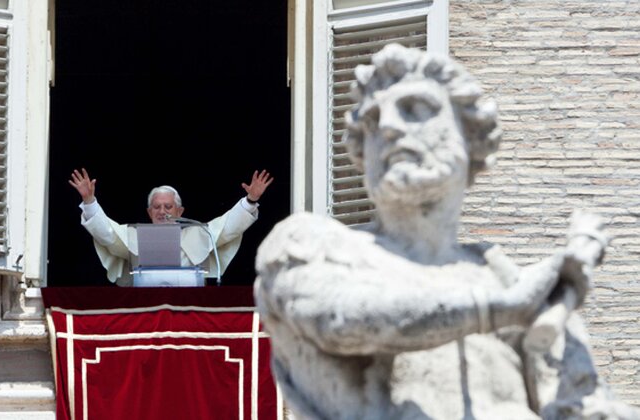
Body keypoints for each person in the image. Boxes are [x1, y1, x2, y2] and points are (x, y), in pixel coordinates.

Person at [254, 44, 639, 419]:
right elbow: (339, 319)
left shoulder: (508, 278)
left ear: (470, 139)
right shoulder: (312, 244)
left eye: (416, 109)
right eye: (371, 121)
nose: (387, 127)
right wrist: (496, 308)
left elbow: (579, 407)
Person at [69, 168, 273, 286]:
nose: (162, 211)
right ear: (149, 213)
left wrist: (251, 199)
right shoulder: (134, 235)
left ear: (180, 211)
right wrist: (89, 200)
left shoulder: (198, 232)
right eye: (156, 207)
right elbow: (107, 234)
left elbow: (228, 227)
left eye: (168, 206)